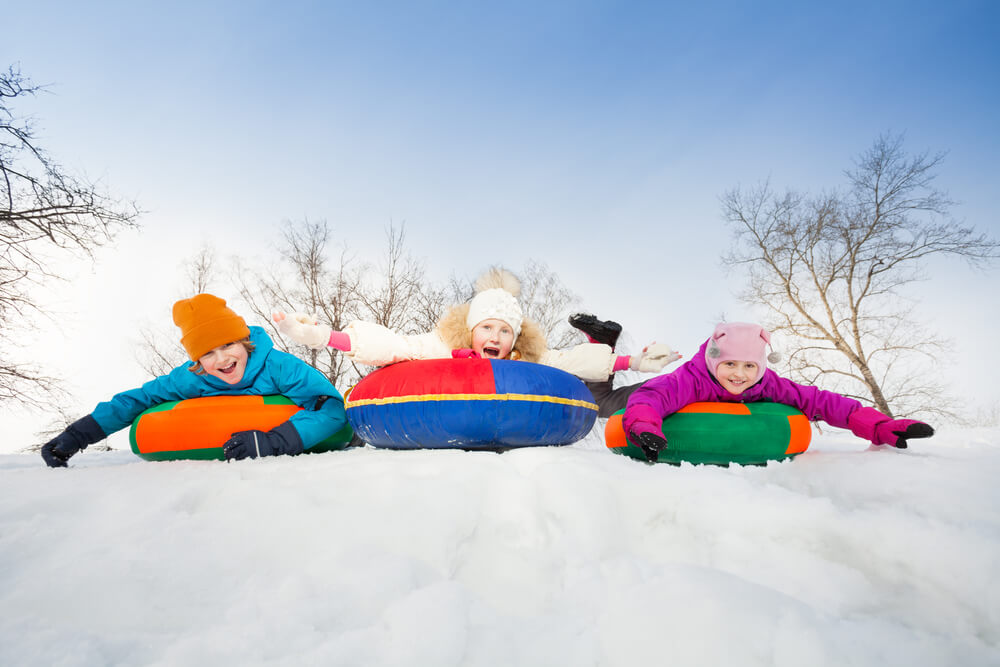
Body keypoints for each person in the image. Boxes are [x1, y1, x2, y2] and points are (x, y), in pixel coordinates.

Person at [273, 267, 682, 414]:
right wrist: (323, 335)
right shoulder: (442, 346)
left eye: (504, 331)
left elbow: (568, 361)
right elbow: (394, 345)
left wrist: (633, 363)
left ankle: (671, 387)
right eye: (487, 327)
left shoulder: (524, 356)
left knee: (592, 400)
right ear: (471, 329)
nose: (496, 337)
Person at [41, 293, 347, 467]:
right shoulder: (192, 379)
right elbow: (137, 400)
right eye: (207, 353)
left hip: (319, 436)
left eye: (228, 345)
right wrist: (77, 436)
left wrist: (272, 441)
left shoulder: (279, 367)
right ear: (196, 360)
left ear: (244, 342)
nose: (222, 359)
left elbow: (330, 408)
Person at [622, 321, 935, 460]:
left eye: (749, 366)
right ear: (714, 359)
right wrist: (644, 426)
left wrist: (879, 426)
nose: (739, 375)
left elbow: (821, 402)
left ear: (761, 365)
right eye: (730, 364)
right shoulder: (692, 378)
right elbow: (651, 396)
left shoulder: (767, 384)